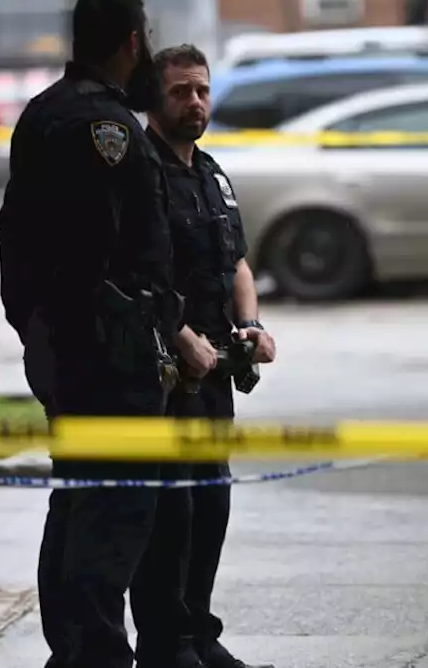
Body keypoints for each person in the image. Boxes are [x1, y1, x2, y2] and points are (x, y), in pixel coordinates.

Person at [0, 0, 180, 668]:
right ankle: (95, 653)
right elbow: (97, 250)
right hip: (108, 357)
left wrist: (31, 325)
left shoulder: (42, 113)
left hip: (65, 348)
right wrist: (140, 329)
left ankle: (74, 650)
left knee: (76, 500)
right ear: (133, 41)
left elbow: (13, 233)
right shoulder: (105, 127)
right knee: (113, 510)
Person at [128, 44, 277, 668]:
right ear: (155, 102)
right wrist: (180, 331)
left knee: (211, 501)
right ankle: (167, 644)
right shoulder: (141, 173)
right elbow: (134, 270)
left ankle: (200, 634)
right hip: (164, 371)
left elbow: (236, 260)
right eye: (181, 93)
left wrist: (252, 325)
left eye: (202, 91)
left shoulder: (212, 173)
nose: (195, 103)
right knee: (172, 509)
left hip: (217, 368)